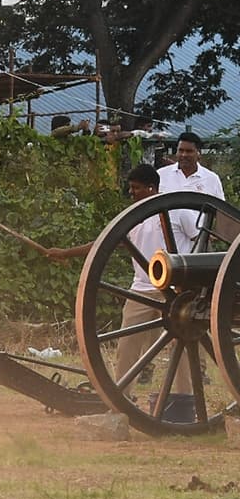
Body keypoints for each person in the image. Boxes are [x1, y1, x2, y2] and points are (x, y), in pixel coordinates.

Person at [46, 164, 195, 396]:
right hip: (142, 289)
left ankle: (185, 401)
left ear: (151, 188)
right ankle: (122, 399)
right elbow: (103, 243)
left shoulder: (178, 212)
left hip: (175, 290)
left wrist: (190, 281)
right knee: (127, 346)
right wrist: (65, 253)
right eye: (131, 188)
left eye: (136, 188)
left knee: (182, 347)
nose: (132, 193)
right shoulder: (131, 217)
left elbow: (200, 240)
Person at [157, 131, 225, 199]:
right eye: (181, 150)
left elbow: (220, 208)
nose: (184, 155)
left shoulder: (212, 179)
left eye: (189, 151)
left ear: (198, 153)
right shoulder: (161, 175)